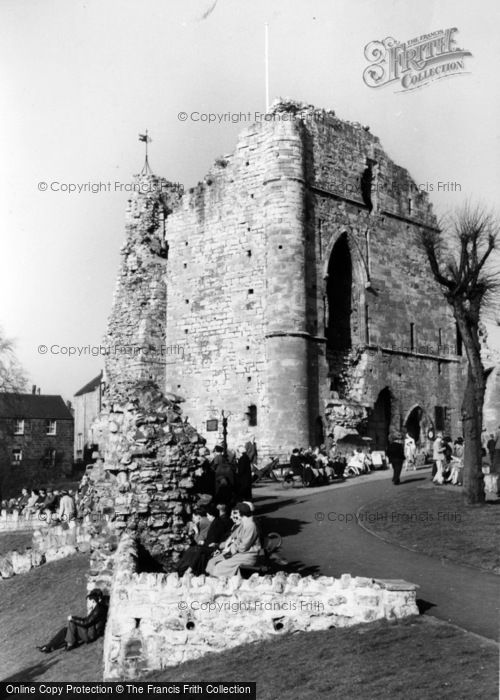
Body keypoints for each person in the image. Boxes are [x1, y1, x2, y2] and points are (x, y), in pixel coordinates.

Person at [37, 589, 107, 653]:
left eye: (89, 601)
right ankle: (49, 646)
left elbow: (86, 622)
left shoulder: (97, 610)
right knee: (65, 631)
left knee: (71, 622)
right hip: (90, 631)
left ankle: (70, 644)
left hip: (91, 635)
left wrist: (72, 618)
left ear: (93, 601)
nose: (88, 603)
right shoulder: (97, 608)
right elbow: (87, 621)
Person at [176, 503, 233, 576]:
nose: (207, 517)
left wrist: (201, 539)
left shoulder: (216, 524)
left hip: (215, 547)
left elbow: (213, 539)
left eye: (208, 515)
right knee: (193, 550)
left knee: (197, 550)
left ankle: (188, 569)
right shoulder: (215, 522)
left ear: (212, 515)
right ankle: (183, 568)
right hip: (212, 545)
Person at [206, 502, 260, 578]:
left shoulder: (250, 525)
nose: (234, 516)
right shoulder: (244, 523)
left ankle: (219, 584)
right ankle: (213, 582)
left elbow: (243, 547)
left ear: (241, 513)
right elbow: (236, 538)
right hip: (237, 553)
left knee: (219, 566)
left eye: (235, 513)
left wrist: (233, 548)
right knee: (212, 561)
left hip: (246, 556)